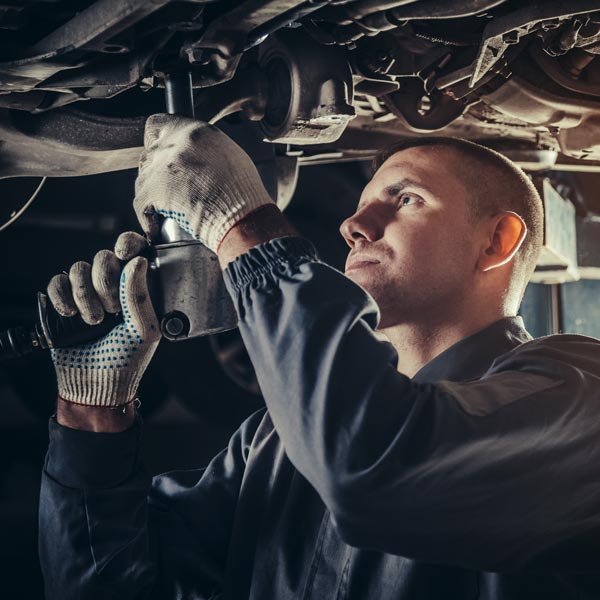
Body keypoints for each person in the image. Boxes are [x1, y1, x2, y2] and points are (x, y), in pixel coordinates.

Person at [39, 115, 600, 600]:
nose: (354, 227)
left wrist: (239, 224)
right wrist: (93, 413)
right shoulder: (276, 441)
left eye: (406, 200)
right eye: (361, 208)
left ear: (497, 241)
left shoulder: (577, 401)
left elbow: (374, 466)